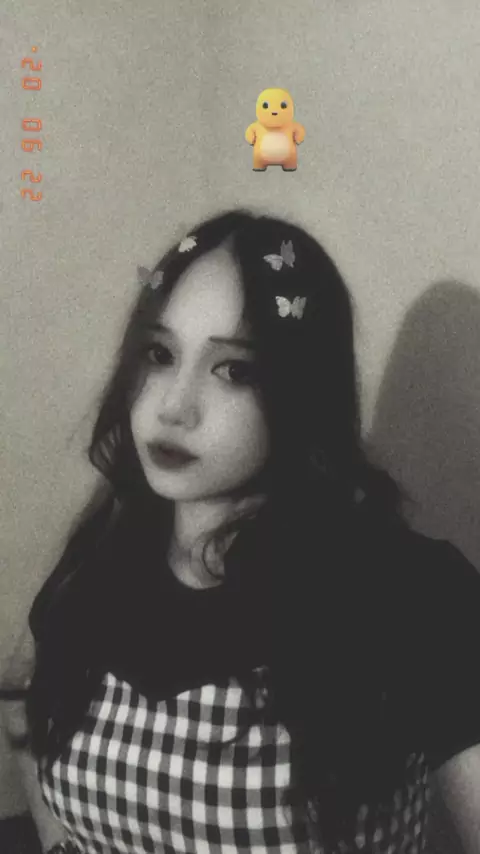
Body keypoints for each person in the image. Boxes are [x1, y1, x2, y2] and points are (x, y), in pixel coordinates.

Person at [2, 208, 480, 854]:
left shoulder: (410, 591)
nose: (174, 406)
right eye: (160, 354)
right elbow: (27, 715)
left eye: (233, 369)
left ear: (302, 390)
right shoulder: (95, 571)